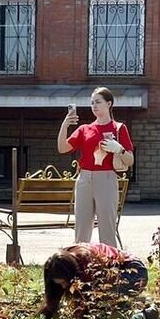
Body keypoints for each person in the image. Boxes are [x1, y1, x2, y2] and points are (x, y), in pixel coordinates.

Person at [57, 87, 134, 245]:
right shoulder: (85, 129)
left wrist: (118, 149)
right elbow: (62, 148)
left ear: (109, 104)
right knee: (82, 228)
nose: (94, 106)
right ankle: (81, 264)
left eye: (98, 102)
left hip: (106, 177)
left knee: (107, 228)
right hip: (84, 178)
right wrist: (65, 125)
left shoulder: (119, 128)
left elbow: (130, 160)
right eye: (92, 103)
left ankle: (109, 265)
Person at [40, 242, 148, 319]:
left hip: (134, 272)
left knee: (105, 313)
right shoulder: (62, 262)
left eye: (64, 283)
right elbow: (52, 300)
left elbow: (89, 303)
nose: (64, 287)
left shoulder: (86, 263)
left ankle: (144, 316)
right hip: (117, 276)